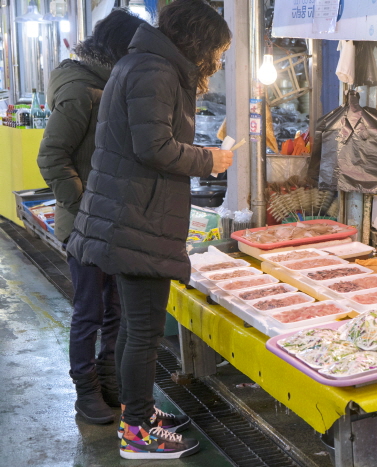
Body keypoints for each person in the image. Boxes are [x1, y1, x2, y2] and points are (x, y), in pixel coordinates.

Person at [67, 0, 233, 459]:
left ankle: (137, 413)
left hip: (131, 218)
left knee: (134, 331)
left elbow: (149, 139)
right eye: (217, 50)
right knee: (142, 334)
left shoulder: (141, 64)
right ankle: (137, 433)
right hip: (136, 222)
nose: (217, 62)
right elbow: (153, 147)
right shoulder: (155, 71)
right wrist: (209, 159)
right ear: (198, 42)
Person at [37, 9, 146, 425]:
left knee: (114, 308)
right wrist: (82, 209)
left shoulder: (107, 84)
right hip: (85, 224)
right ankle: (85, 392)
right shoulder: (81, 90)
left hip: (111, 223)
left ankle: (109, 382)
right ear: (118, 49)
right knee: (89, 311)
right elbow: (51, 155)